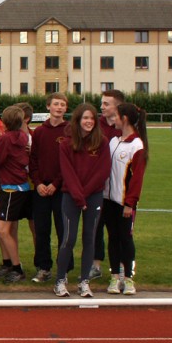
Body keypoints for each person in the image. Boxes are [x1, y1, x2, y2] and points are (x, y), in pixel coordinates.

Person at [53, 103, 111, 298]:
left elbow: (102, 171)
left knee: (90, 238)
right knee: (69, 238)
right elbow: (67, 173)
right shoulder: (66, 144)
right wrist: (79, 197)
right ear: (77, 120)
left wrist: (86, 195)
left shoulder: (102, 142)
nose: (89, 122)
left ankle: (84, 281)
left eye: (92, 118)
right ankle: (60, 280)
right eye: (85, 118)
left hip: (93, 196)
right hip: (71, 196)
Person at [104, 102, 148, 295]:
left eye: (115, 116)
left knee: (126, 239)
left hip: (125, 203)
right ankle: (114, 276)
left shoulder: (137, 145)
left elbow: (137, 178)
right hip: (108, 200)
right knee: (112, 238)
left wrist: (130, 203)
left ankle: (128, 278)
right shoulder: (114, 140)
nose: (112, 120)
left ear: (125, 119)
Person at [0, 105, 32, 284]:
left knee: (3, 230)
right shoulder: (22, 136)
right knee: (2, 224)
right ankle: (7, 263)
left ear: (4, 122)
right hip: (17, 186)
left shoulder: (6, 139)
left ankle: (17, 267)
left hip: (12, 189)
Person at [29, 93, 70, 283]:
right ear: (48, 107)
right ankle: (43, 267)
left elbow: (70, 163)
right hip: (41, 190)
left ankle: (65, 269)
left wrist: (56, 183)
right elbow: (33, 160)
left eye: (63, 105)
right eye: (56, 104)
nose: (59, 108)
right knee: (42, 230)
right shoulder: (39, 132)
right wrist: (38, 183)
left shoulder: (69, 131)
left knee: (63, 230)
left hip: (61, 190)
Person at [92, 89, 125, 278]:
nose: (102, 107)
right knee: (95, 226)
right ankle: (95, 264)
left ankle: (120, 266)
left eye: (106, 104)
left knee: (118, 230)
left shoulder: (125, 126)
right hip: (98, 185)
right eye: (102, 103)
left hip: (119, 188)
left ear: (117, 106)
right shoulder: (96, 124)